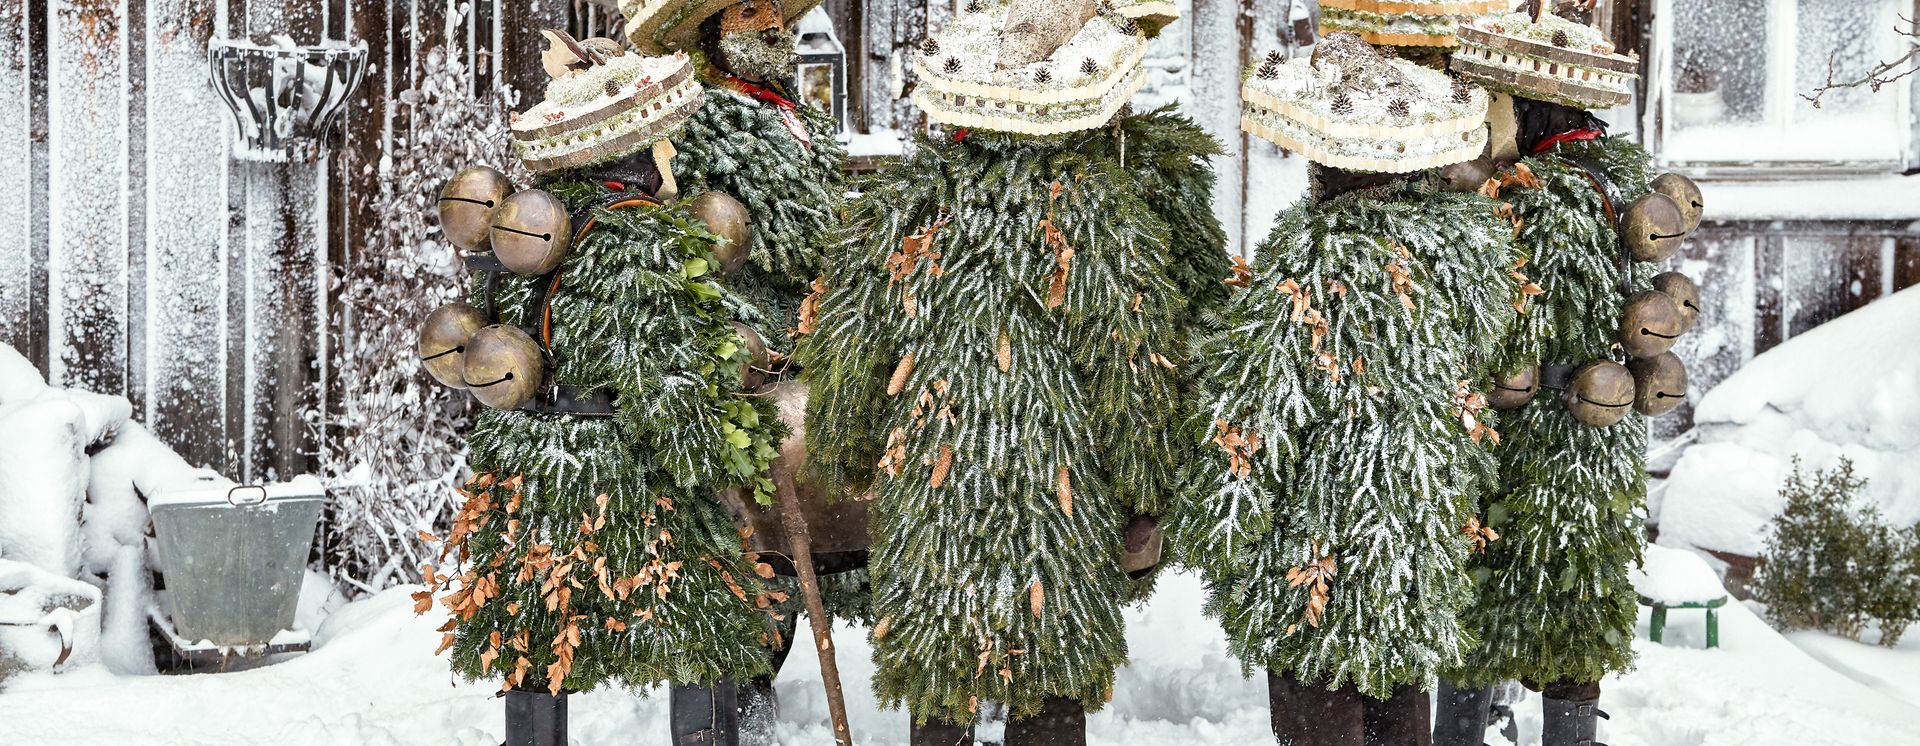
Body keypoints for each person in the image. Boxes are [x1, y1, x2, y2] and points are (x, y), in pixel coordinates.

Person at [794, 0, 1220, 742]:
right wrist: (1144, 490)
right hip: (1059, 494)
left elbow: (851, 347)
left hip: (935, 488)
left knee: (943, 667)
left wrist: (848, 450)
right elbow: (1132, 372)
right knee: (1048, 677)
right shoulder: (1101, 216)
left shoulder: (906, 208)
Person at [1174, 31, 1522, 746]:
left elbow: (1257, 416)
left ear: (1329, 166)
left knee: (1321, 700)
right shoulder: (1457, 257)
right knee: (1400, 695)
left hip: (1321, 536)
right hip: (1415, 529)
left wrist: (1219, 524)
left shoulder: (1310, 264)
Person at [1436, 5, 1703, 745]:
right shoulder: (1622, 179)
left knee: (1489, 580)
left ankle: (1465, 730)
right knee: (1574, 588)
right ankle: (1564, 731)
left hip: (1529, 430)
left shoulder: (1540, 196)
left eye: (1495, 104)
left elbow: (1508, 317)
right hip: (1597, 435)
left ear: (1528, 108)